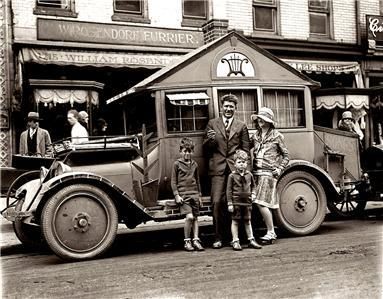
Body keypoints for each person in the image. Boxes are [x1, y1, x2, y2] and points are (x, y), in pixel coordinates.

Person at [203, 94, 250, 249]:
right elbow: (206, 148)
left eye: (231, 106)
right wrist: (210, 141)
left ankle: (237, 238)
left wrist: (244, 172)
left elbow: (245, 150)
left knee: (237, 203)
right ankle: (217, 238)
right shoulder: (212, 124)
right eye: (226, 106)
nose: (228, 109)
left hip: (235, 170)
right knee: (217, 203)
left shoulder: (241, 125)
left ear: (235, 109)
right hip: (217, 169)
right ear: (221, 107)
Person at [251, 107, 289, 244]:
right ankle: (263, 230)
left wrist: (279, 168)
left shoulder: (277, 136)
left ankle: (271, 232)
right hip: (256, 173)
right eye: (259, 118)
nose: (260, 121)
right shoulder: (255, 135)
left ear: (269, 121)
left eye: (263, 119)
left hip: (268, 173)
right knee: (256, 202)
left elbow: (286, 155)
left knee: (262, 203)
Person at [171, 137, 204, 252]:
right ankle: (187, 241)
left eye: (189, 151)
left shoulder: (195, 164)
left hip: (194, 194)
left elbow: (198, 180)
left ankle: (196, 240)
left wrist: (199, 196)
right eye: (185, 151)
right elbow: (173, 181)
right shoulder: (177, 164)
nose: (187, 154)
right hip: (184, 196)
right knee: (189, 217)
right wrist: (176, 195)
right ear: (180, 151)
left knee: (195, 218)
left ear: (192, 152)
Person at [227, 150, 262, 251]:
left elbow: (254, 187)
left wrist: (254, 194)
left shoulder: (249, 175)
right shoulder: (232, 176)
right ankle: (235, 241)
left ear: (246, 163)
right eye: (239, 162)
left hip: (247, 202)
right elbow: (228, 191)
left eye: (244, 162)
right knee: (235, 221)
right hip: (236, 202)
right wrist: (230, 203)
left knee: (247, 221)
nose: (242, 164)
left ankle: (251, 239)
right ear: (234, 164)